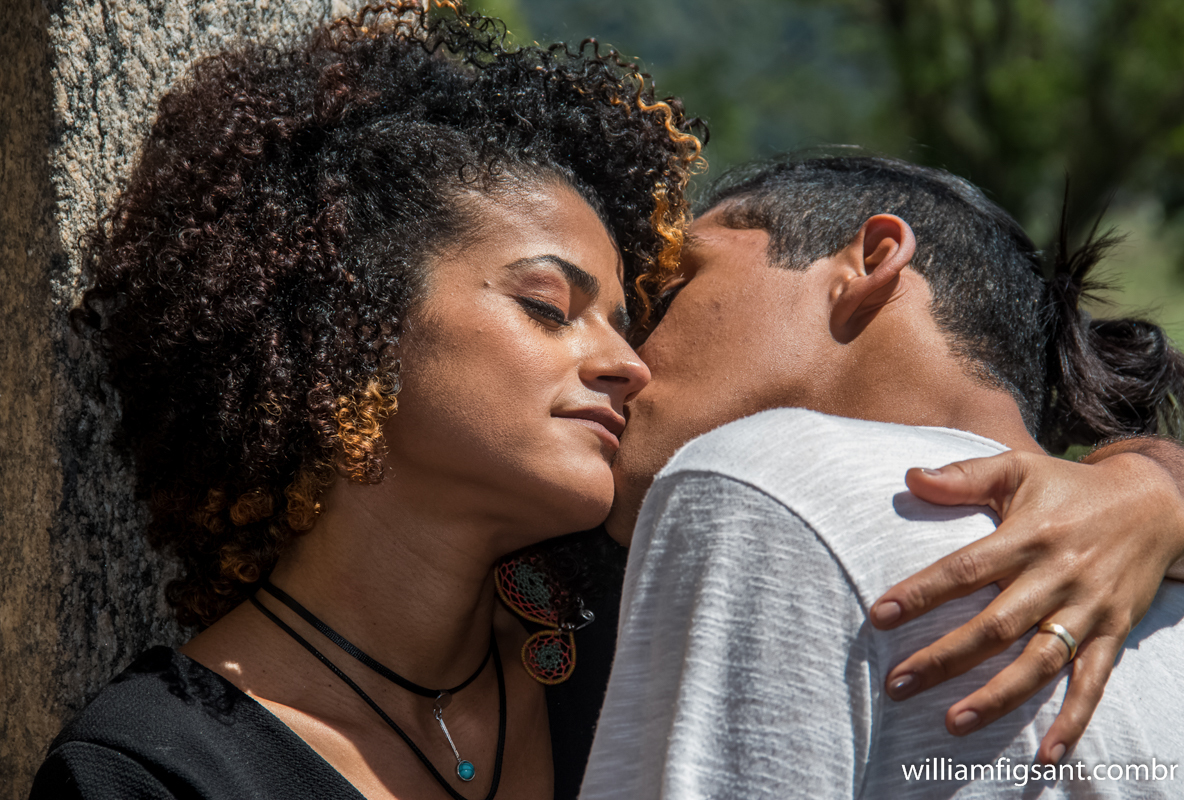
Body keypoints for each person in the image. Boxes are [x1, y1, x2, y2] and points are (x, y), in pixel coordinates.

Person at [30, 4, 701, 799]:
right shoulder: (157, 771)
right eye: (550, 307)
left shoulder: (637, 652)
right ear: (356, 324)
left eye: (624, 327)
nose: (629, 365)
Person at [581, 155, 1184, 798]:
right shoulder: (1181, 598)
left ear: (872, 261)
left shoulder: (763, 479)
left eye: (672, 292)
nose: (624, 357)